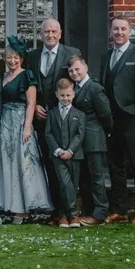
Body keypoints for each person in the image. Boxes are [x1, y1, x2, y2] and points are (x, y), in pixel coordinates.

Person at [91, 15, 135, 222]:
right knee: (115, 165)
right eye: (115, 29)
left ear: (130, 31)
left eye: (123, 29)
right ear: (110, 32)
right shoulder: (106, 57)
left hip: (130, 117)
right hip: (111, 119)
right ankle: (120, 209)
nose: (119, 33)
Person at [0, 38, 51, 223]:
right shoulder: (3, 76)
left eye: (16, 58)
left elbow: (31, 103)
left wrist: (27, 128)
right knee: (7, 163)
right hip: (4, 124)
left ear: (21, 58)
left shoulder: (27, 75)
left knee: (22, 163)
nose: (12, 61)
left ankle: (25, 208)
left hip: (20, 123)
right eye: (9, 57)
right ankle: (11, 206)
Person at [65, 55, 111, 224]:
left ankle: (100, 213)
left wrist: (105, 132)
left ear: (85, 68)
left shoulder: (94, 88)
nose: (74, 73)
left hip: (93, 137)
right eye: (71, 71)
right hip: (79, 141)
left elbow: (105, 114)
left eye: (77, 69)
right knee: (84, 177)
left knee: (96, 177)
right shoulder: (74, 88)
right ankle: (88, 210)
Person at [43, 76, 89, 226]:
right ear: (56, 94)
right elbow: (48, 133)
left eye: (68, 95)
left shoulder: (80, 114)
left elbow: (79, 135)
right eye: (62, 95)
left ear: (73, 94)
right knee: (64, 183)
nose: (65, 98)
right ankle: (72, 214)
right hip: (57, 155)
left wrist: (70, 150)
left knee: (73, 184)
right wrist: (57, 150)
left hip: (74, 155)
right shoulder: (52, 113)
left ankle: (65, 214)